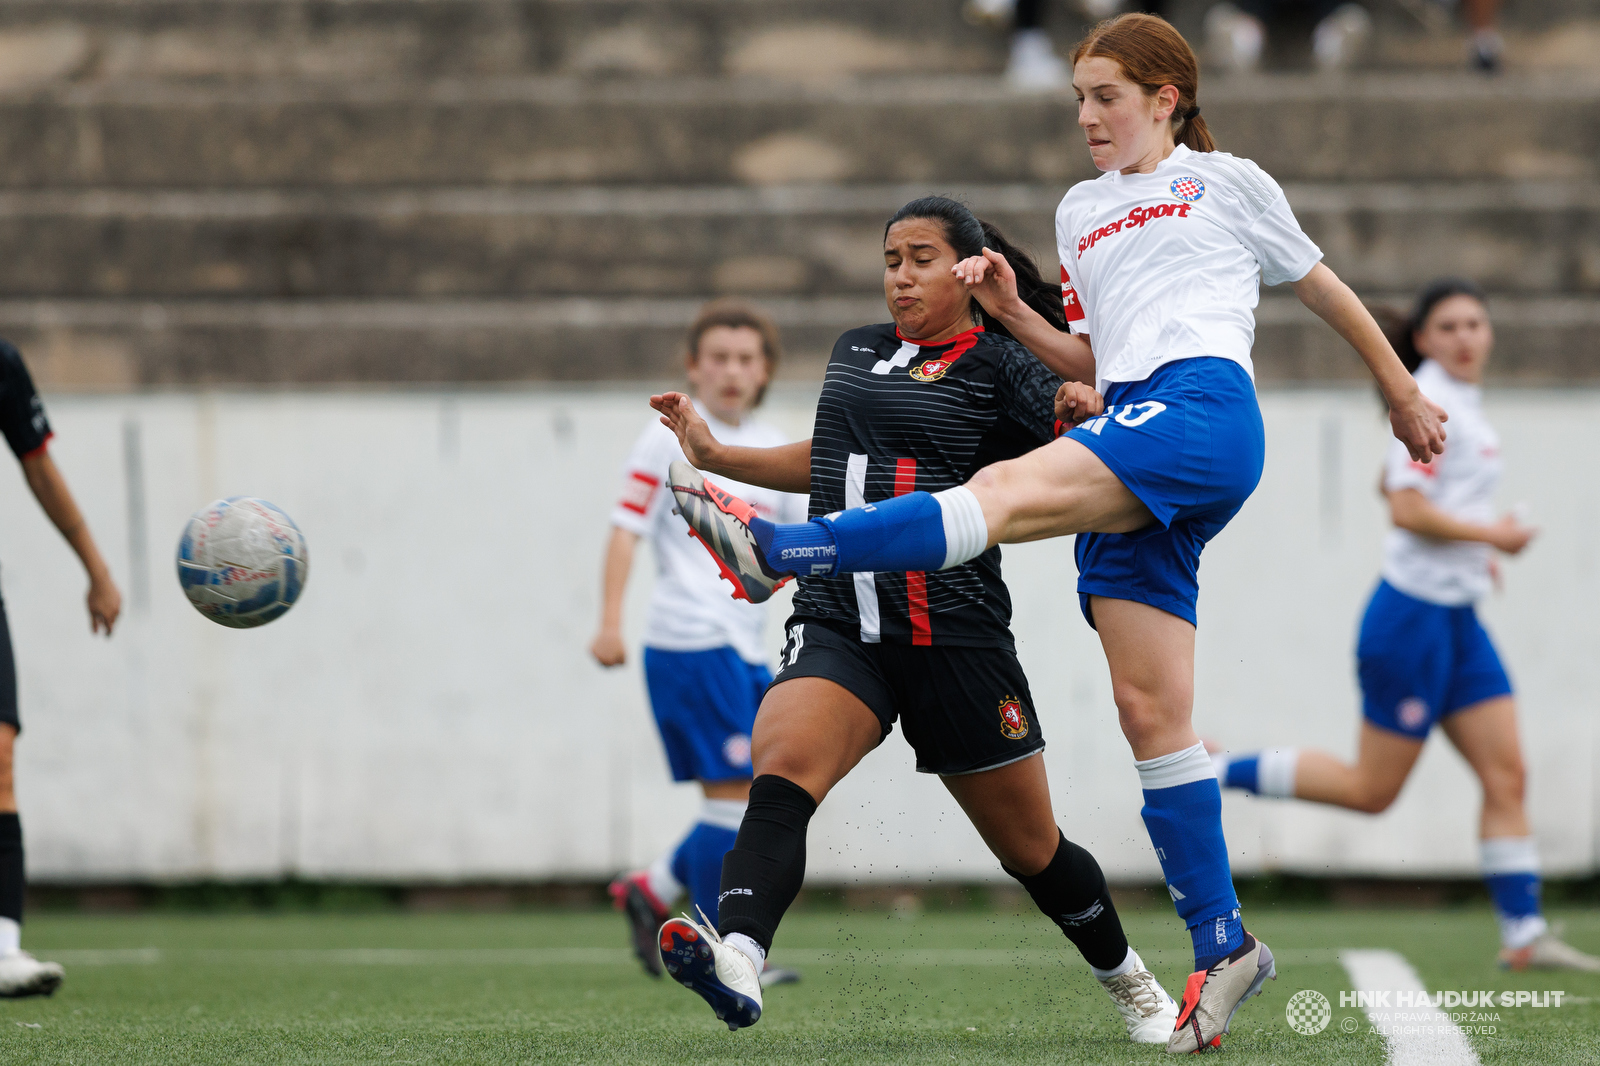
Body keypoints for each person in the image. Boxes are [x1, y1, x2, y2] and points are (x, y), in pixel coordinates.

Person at [660, 14, 1448, 1054]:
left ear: (1165, 98)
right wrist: (1011, 313)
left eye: (1106, 95)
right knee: (1148, 710)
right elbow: (1090, 351)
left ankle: (780, 552)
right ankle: (1223, 944)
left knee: (1000, 489)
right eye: (1077, 96)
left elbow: (1322, 288)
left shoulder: (1226, 182)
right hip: (1131, 420)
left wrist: (1397, 390)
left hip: (1202, 411)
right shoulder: (1080, 212)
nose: (1086, 115)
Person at [649, 197, 1180, 1045]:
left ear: (969, 271)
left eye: (922, 258)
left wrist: (1082, 404)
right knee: (781, 774)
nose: (901, 276)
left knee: (1034, 852)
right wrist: (717, 457)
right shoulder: (854, 347)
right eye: (892, 259)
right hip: (839, 624)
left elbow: (1079, 441)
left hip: (955, 637)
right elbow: (828, 460)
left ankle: (1130, 981)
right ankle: (739, 954)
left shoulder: (1004, 365)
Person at [1210, 279, 1600, 972]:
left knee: (1507, 773)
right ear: (1422, 340)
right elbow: (1406, 508)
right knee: (1372, 791)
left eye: (1475, 323)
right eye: (1448, 326)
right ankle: (1217, 770)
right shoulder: (1429, 398)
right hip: (1411, 621)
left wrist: (1478, 557)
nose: (1465, 336)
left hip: (1458, 621)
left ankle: (1523, 933)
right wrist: (1491, 537)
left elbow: (1409, 493)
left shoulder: (1465, 406)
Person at [591, 301, 807, 986]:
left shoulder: (772, 446)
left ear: (765, 369)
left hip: (743, 649)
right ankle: (727, 951)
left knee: (752, 794)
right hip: (688, 642)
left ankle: (652, 890)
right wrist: (608, 621)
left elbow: (799, 551)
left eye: (746, 358)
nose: (732, 371)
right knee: (732, 800)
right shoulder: (664, 441)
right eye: (718, 357)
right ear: (693, 367)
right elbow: (624, 527)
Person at [0, 340, 121, 997]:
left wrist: (96, 569)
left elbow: (39, 467)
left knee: (0, 758)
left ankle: (1, 947)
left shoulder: (1, 363)